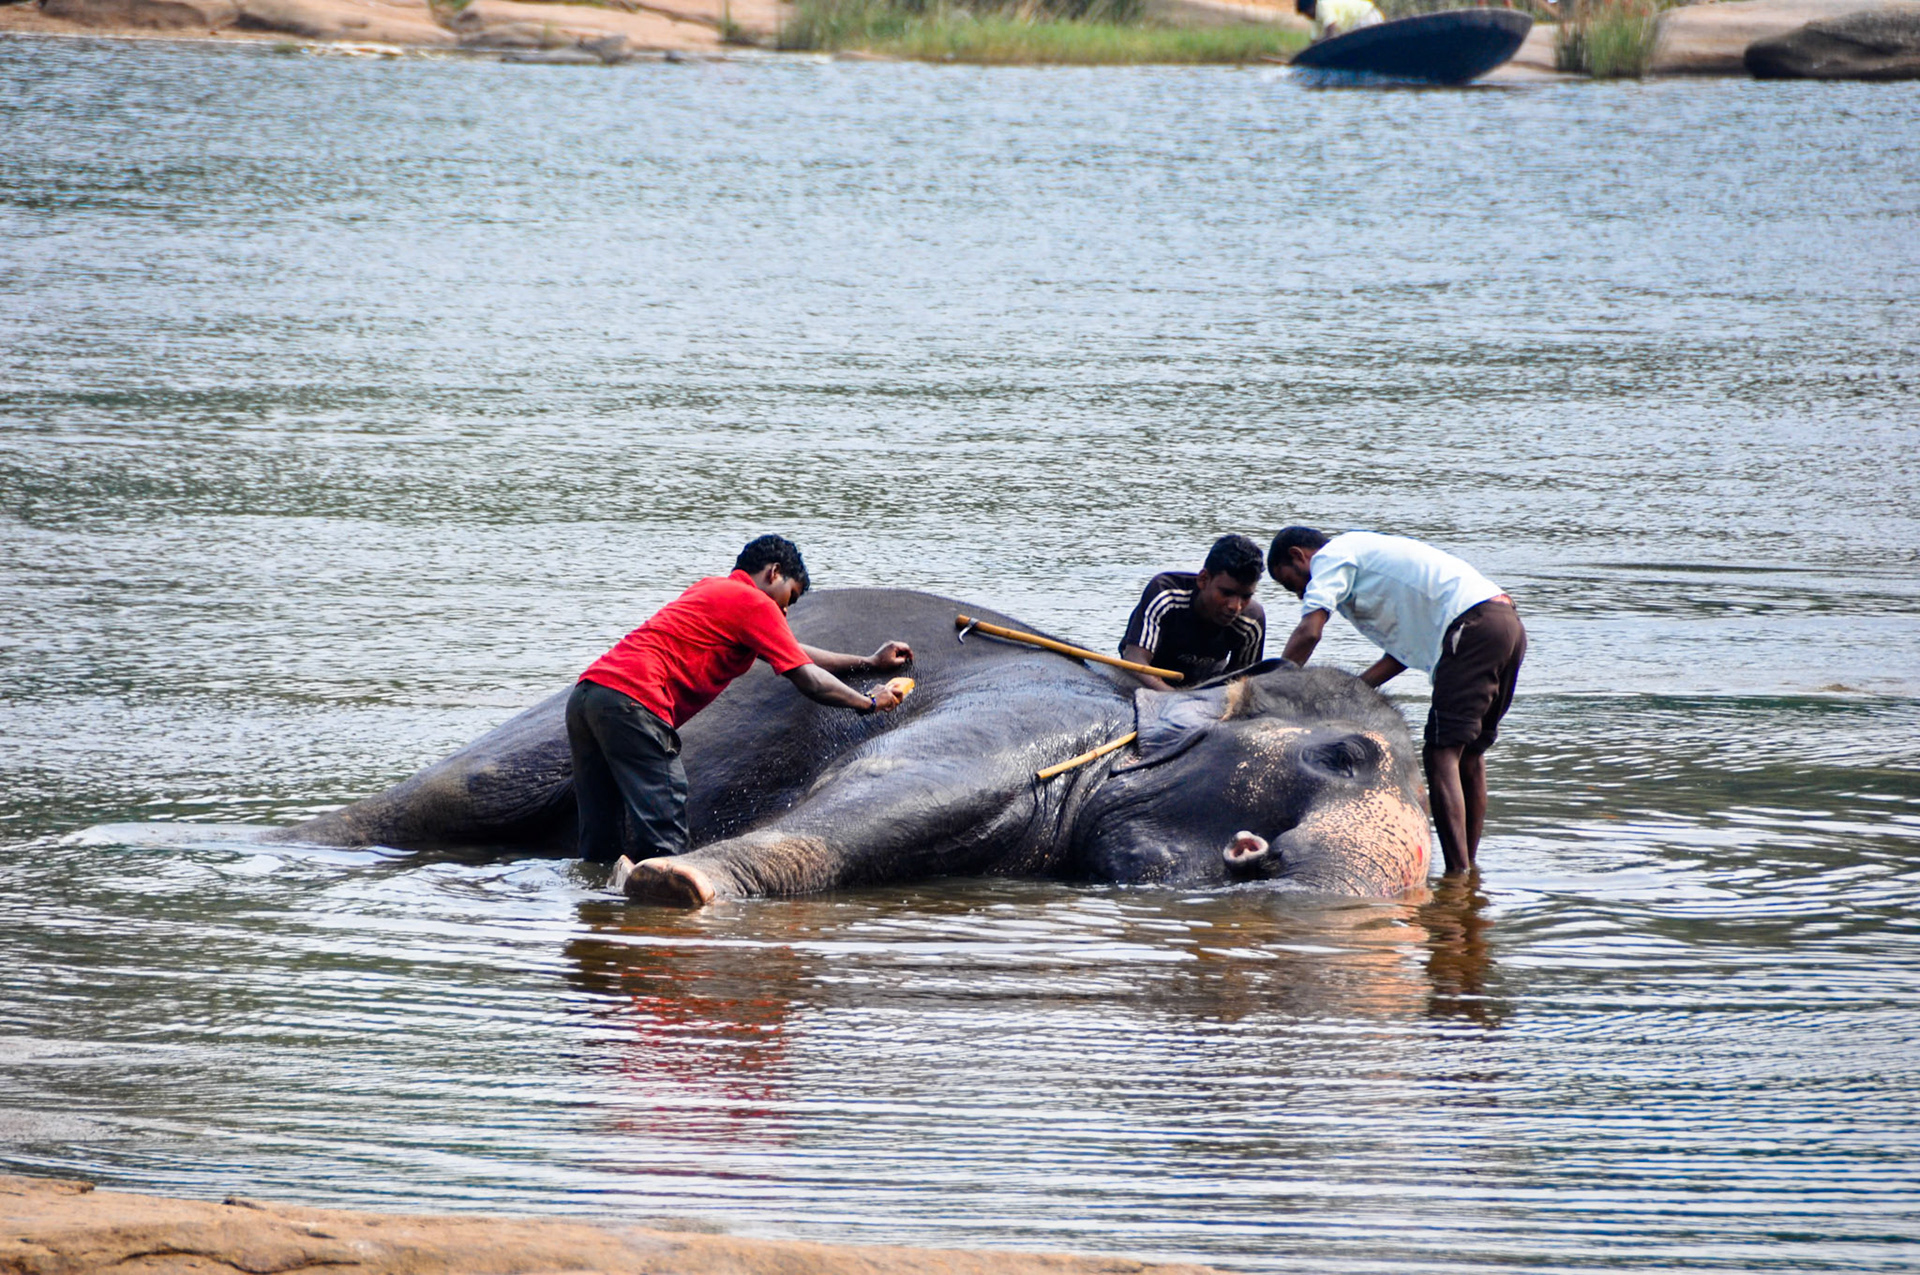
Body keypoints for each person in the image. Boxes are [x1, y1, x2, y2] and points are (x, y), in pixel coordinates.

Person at [566, 535, 912, 865]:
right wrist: (868, 701)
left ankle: (599, 913)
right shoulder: (756, 603)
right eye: (788, 597)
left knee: (600, 838)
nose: (786, 612)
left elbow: (796, 653)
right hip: (636, 702)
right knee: (665, 835)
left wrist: (868, 662)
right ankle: (666, 923)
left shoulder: (712, 590)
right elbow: (807, 678)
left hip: (588, 697)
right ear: (773, 573)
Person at [1266, 526, 1525, 876]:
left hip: (1472, 627)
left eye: (1292, 583)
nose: (1301, 594)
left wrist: (1274, 685)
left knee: (1441, 754)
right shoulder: (1365, 557)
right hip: (1504, 624)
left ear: (1300, 555)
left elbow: (1310, 630)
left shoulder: (1331, 557)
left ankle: (1457, 875)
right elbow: (1404, 652)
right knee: (1470, 756)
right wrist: (1355, 689)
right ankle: (1469, 869)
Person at [1120, 534, 1268, 691]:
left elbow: (1242, 681)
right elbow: (1134, 660)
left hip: (1205, 686)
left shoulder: (1251, 621)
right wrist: (1173, 698)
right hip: (1149, 680)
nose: (1235, 607)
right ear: (1203, 579)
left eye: (1246, 597)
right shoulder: (1165, 595)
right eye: (1226, 593)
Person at [1295, 0, 1384, 39]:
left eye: (1307, 14)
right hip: (1358, 23)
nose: (1307, 17)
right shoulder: (1316, 18)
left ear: (1311, 8)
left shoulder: (1323, 4)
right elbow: (1314, 41)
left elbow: (1331, 31)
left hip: (1368, 16)